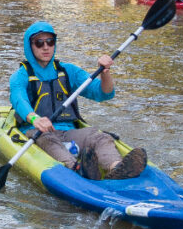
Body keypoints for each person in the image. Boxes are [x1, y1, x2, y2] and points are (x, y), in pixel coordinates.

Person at [9, 21, 147, 180]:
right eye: (39, 43)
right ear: (30, 46)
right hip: (37, 132)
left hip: (69, 131)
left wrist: (105, 73)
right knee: (48, 140)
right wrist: (35, 118)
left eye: (50, 41)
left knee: (99, 136)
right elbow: (19, 100)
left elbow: (103, 94)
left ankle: (117, 168)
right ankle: (77, 170)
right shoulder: (21, 76)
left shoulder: (69, 71)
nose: (46, 47)